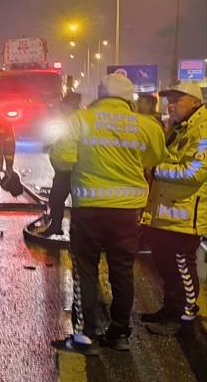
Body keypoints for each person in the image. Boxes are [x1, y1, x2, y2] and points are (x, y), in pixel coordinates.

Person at [49, 74, 166, 355]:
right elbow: (155, 159)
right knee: (122, 272)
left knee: (85, 270)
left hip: (88, 210)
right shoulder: (146, 125)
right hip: (126, 213)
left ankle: (85, 337)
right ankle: (120, 333)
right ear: (129, 98)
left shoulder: (81, 119)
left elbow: (62, 159)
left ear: (99, 95)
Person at [139, 80, 206, 335]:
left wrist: (156, 170)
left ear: (195, 102)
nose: (171, 104)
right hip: (167, 212)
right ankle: (171, 309)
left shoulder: (203, 132)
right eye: (169, 99)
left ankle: (186, 319)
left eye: (178, 99)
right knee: (165, 263)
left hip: (187, 214)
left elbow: (194, 172)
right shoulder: (178, 128)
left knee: (182, 265)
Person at [39, 92, 84, 237]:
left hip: (70, 167)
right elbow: (66, 141)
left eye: (62, 105)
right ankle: (66, 228)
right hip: (69, 166)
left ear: (67, 105)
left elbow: (74, 143)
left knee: (59, 198)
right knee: (68, 199)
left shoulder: (74, 119)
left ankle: (61, 227)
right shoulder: (74, 118)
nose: (60, 108)